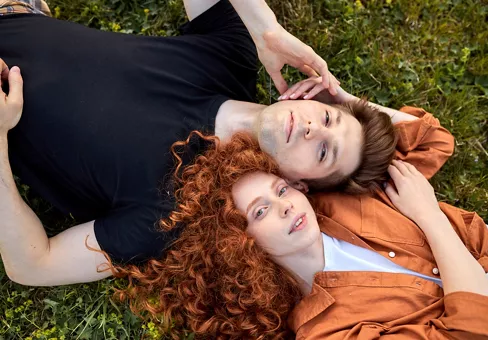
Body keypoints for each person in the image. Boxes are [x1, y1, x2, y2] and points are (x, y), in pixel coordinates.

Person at [0, 0, 419, 285]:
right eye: (329, 117)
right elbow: (430, 136)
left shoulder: (171, 210)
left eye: (324, 151)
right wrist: (266, 28)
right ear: (313, 95)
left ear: (302, 184)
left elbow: (34, 264)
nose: (315, 129)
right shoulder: (231, 57)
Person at [114, 132, 488, 339]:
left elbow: (429, 140)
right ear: (239, 245)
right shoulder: (325, 330)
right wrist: (429, 218)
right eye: (260, 211)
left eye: (281, 190)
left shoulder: (346, 198)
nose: (286, 206)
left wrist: (335, 107)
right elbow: (472, 331)